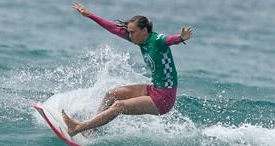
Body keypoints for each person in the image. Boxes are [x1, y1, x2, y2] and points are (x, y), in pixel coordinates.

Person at [63, 2, 193, 137]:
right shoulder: (141, 40)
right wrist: (89, 15)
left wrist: (181, 37)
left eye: (132, 32)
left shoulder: (157, 41)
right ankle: (91, 130)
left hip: (164, 98)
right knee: (112, 94)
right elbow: (113, 28)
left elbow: (170, 40)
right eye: (129, 32)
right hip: (154, 89)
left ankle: (78, 127)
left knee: (118, 106)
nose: (130, 36)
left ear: (144, 31)